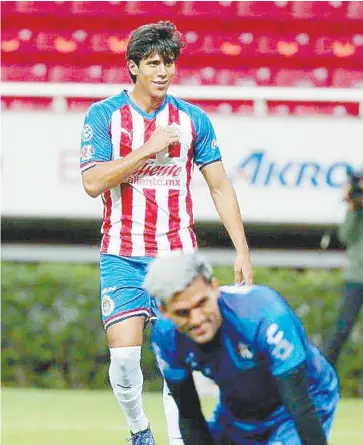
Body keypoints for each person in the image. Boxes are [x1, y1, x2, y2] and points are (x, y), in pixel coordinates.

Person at [80, 21, 253, 444]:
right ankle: (139, 429)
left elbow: (219, 185)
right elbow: (92, 183)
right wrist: (147, 149)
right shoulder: (104, 115)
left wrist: (242, 250)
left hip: (177, 256)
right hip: (122, 254)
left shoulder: (193, 119)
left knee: (178, 360)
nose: (163, 71)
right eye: (153, 63)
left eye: (169, 62)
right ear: (133, 66)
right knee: (123, 359)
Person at [145, 252, 339, 445]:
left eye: (202, 303)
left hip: (303, 399)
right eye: (182, 312)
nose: (197, 320)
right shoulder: (166, 335)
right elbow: (189, 415)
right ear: (165, 311)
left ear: (214, 288)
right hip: (240, 409)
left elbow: (300, 407)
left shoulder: (264, 315)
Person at [323, 170, 363, 366]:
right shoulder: (356, 208)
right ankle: (321, 373)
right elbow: (346, 236)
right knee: (342, 328)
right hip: (356, 277)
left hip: (356, 276)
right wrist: (353, 207)